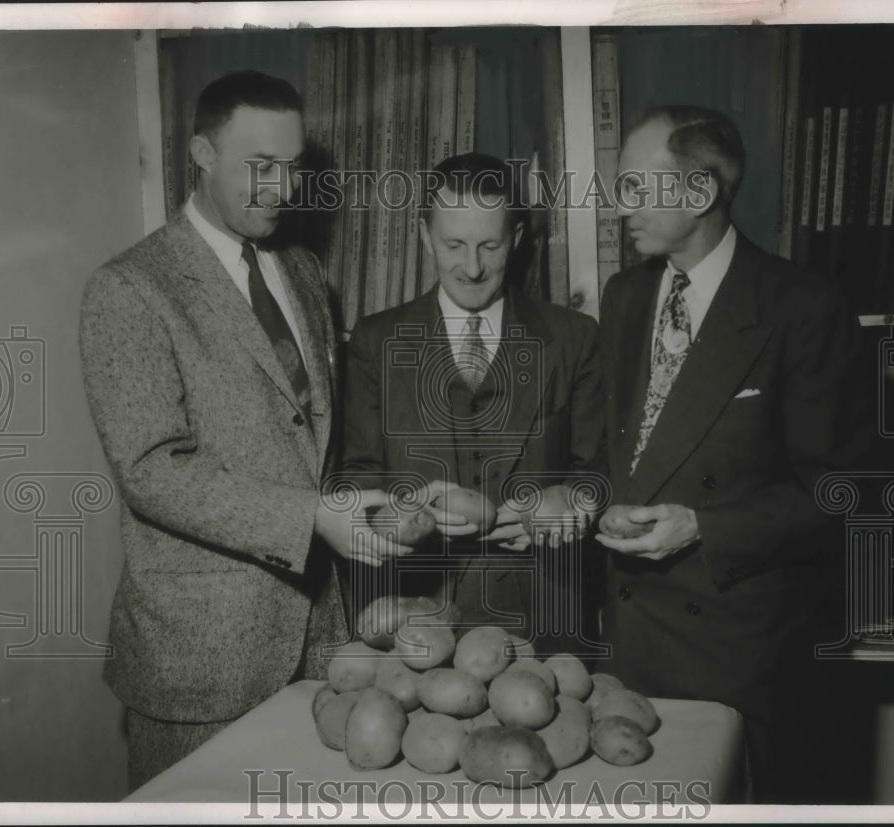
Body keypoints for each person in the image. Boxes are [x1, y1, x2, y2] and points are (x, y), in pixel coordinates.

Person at [80, 70, 408, 791]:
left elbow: (310, 442)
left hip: (322, 643)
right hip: (200, 660)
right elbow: (151, 471)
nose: (281, 188)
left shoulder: (303, 270)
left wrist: (383, 501)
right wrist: (311, 517)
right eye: (259, 166)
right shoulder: (131, 289)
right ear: (200, 152)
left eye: (292, 166)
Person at [594, 106, 872, 795]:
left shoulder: (803, 306)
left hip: (734, 651)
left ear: (699, 193)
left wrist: (702, 524)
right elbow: (624, 449)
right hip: (627, 640)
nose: (615, 204)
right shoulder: (625, 295)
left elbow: (842, 490)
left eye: (635, 186)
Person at [341, 152, 606, 653]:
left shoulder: (574, 338)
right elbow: (358, 476)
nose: (472, 267)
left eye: (490, 245)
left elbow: (597, 474)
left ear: (518, 239)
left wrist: (568, 506)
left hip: (546, 617)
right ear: (424, 236)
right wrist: (403, 516)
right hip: (412, 615)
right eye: (453, 244)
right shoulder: (375, 342)